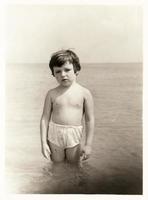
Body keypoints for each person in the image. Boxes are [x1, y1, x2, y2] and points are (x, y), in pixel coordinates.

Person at [40, 49, 94, 164]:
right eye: (58, 71)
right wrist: (43, 143)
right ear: (53, 74)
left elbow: (89, 120)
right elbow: (45, 119)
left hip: (74, 134)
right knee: (57, 166)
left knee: (74, 167)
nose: (63, 74)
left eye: (67, 70)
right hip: (55, 133)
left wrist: (88, 145)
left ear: (76, 70)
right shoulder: (51, 93)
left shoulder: (84, 93)